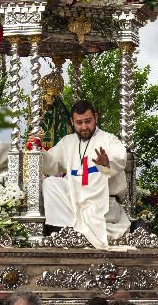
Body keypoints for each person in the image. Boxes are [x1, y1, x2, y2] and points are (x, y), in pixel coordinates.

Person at [34, 100, 130, 249]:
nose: (84, 127)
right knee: (50, 183)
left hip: (102, 202)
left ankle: (77, 230)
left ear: (96, 118)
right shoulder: (67, 142)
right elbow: (52, 165)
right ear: (72, 121)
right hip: (75, 201)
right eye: (79, 123)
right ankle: (65, 230)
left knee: (92, 207)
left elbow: (120, 159)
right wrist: (38, 150)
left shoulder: (109, 139)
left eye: (88, 121)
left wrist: (106, 163)